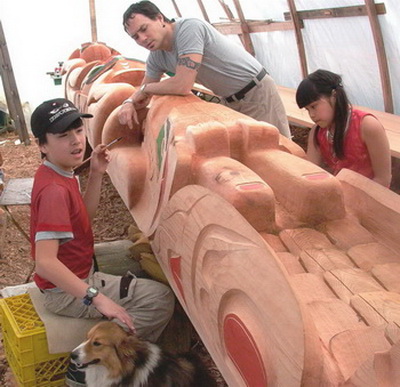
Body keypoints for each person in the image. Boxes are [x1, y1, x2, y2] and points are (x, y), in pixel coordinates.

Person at [30, 98, 175, 386]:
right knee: (159, 299)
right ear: (42, 145)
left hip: (77, 274)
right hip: (65, 288)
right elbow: (44, 263)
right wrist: (97, 296)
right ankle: (92, 370)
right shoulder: (54, 191)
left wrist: (95, 172)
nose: (76, 141)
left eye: (78, 130)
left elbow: (84, 218)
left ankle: (106, 356)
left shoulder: (61, 172)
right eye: (63, 135)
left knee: (141, 293)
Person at [118, 0, 291, 138]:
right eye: (135, 37)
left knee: (279, 152)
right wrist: (129, 103)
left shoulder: (189, 28)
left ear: (159, 18)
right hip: (229, 101)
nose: (142, 38)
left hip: (256, 93)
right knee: (251, 154)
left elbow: (182, 85)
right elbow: (144, 92)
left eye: (144, 29)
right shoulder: (156, 57)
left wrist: (146, 89)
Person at [296, 69, 391, 187]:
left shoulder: (367, 126)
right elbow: (310, 173)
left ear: (334, 96)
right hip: (340, 195)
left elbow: (383, 180)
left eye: (314, 106)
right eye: (307, 110)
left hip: (370, 198)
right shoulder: (317, 132)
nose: (312, 115)